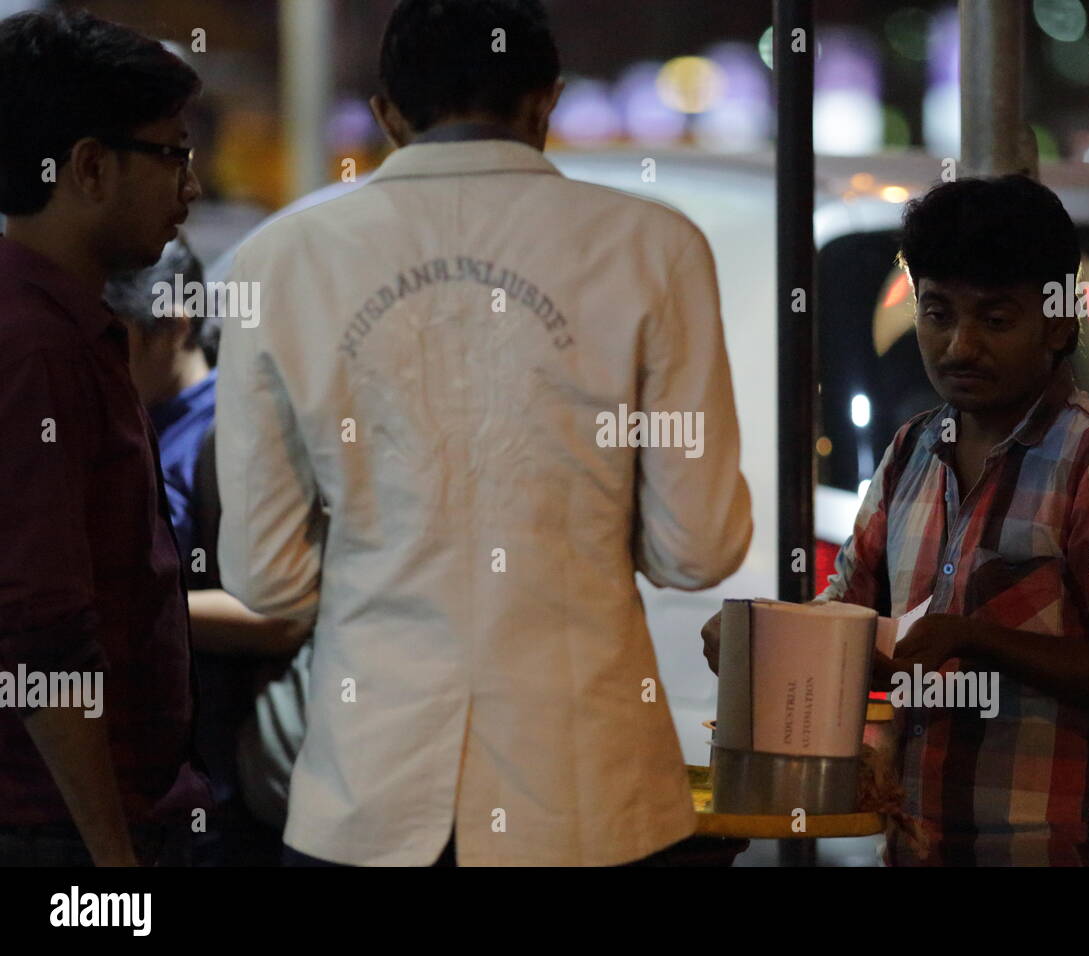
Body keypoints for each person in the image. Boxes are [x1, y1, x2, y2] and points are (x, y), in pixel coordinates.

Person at [216, 0, 751, 866]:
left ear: (387, 113)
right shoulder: (655, 247)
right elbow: (698, 550)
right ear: (547, 100)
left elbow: (265, 578)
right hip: (589, 796)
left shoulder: (278, 260)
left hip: (367, 796)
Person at [704, 175, 1089, 866]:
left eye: (995, 321)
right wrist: (759, 637)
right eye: (938, 314)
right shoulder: (911, 451)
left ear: (1060, 321)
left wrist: (977, 640)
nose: (960, 346)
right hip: (909, 849)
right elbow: (846, 614)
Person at [0, 9, 209, 866]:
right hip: (65, 834)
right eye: (172, 155)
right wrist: (114, 862)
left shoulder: (67, 326)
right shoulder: (33, 345)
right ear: (88, 167)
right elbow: (41, 632)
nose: (190, 189)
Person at [105, 236, 311, 865]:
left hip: (219, 780)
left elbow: (280, 615)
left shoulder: (231, 431)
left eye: (117, 339)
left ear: (174, 323)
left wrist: (123, 607)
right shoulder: (125, 423)